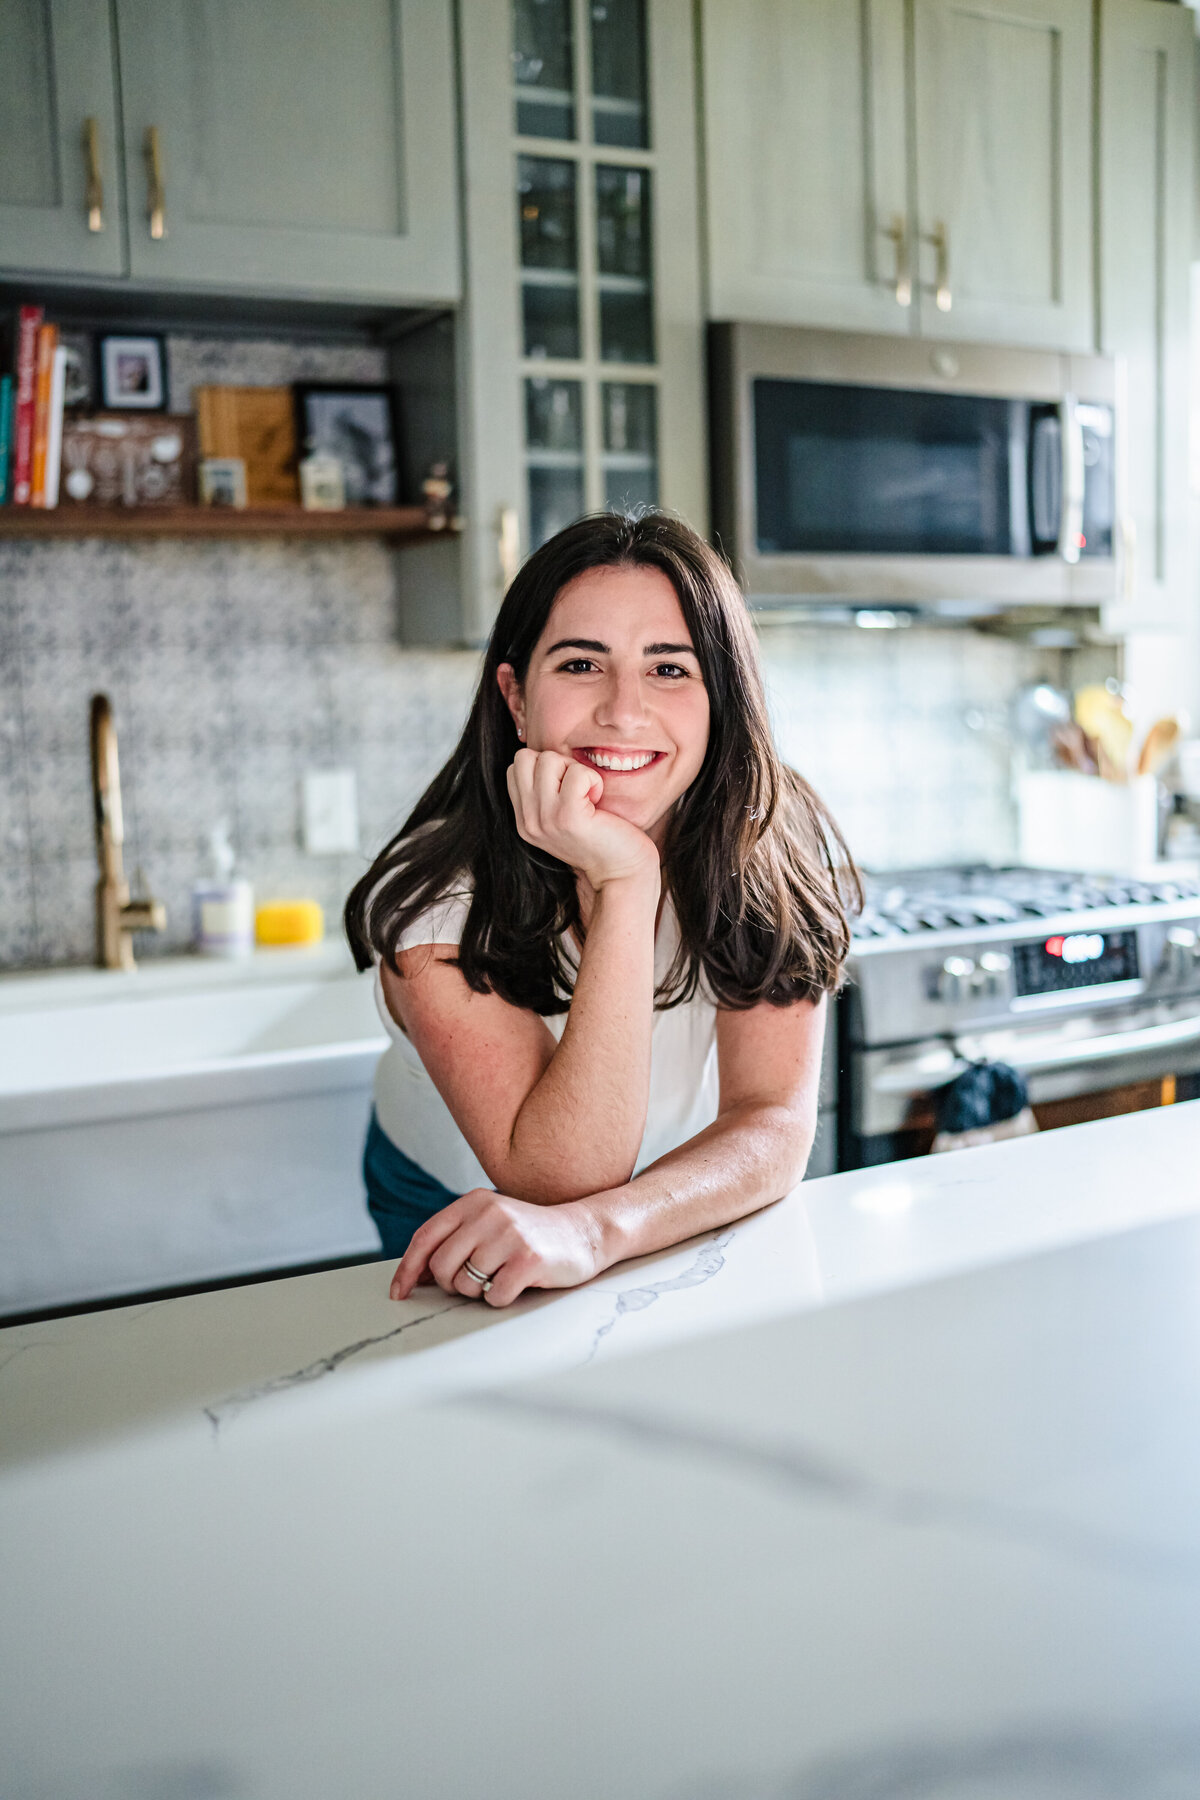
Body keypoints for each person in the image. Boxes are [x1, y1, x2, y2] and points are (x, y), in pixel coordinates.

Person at [344, 511, 858, 1308]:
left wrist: (604, 1229)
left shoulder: (767, 850)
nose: (624, 710)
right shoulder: (436, 902)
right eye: (583, 664)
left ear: (720, 697)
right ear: (516, 697)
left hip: (677, 1194)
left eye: (670, 669)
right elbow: (557, 1179)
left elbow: (771, 1122)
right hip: (459, 1206)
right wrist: (626, 884)